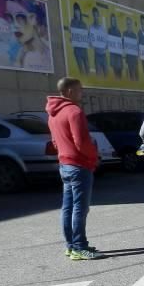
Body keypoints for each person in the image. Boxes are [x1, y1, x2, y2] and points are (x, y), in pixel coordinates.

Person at [46, 78, 103, 260]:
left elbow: (55, 141)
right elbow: (81, 142)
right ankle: (79, 246)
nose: (82, 92)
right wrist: (93, 158)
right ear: (69, 91)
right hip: (79, 165)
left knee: (68, 207)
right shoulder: (74, 111)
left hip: (65, 164)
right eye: (79, 89)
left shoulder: (53, 113)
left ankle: (71, 246)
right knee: (80, 208)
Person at [69, 2, 90, 75]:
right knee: (81, 69)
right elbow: (72, 35)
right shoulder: (72, 22)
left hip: (84, 50)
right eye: (75, 11)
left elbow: (87, 36)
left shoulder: (84, 24)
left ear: (80, 11)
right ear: (74, 12)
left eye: (78, 11)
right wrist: (71, 39)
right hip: (77, 50)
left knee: (87, 68)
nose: (76, 12)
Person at [89, 7, 108, 76]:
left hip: (104, 55)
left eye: (97, 15)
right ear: (93, 16)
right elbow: (90, 42)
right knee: (98, 75)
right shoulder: (91, 28)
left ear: (98, 16)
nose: (95, 17)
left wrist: (106, 45)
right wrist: (91, 43)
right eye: (94, 15)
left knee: (106, 74)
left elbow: (106, 41)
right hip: (97, 55)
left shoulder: (102, 28)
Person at [107, 14, 123, 79]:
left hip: (118, 55)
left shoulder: (118, 31)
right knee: (115, 71)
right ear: (111, 21)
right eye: (112, 20)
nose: (113, 22)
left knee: (120, 71)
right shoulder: (109, 30)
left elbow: (120, 42)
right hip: (113, 55)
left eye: (114, 20)